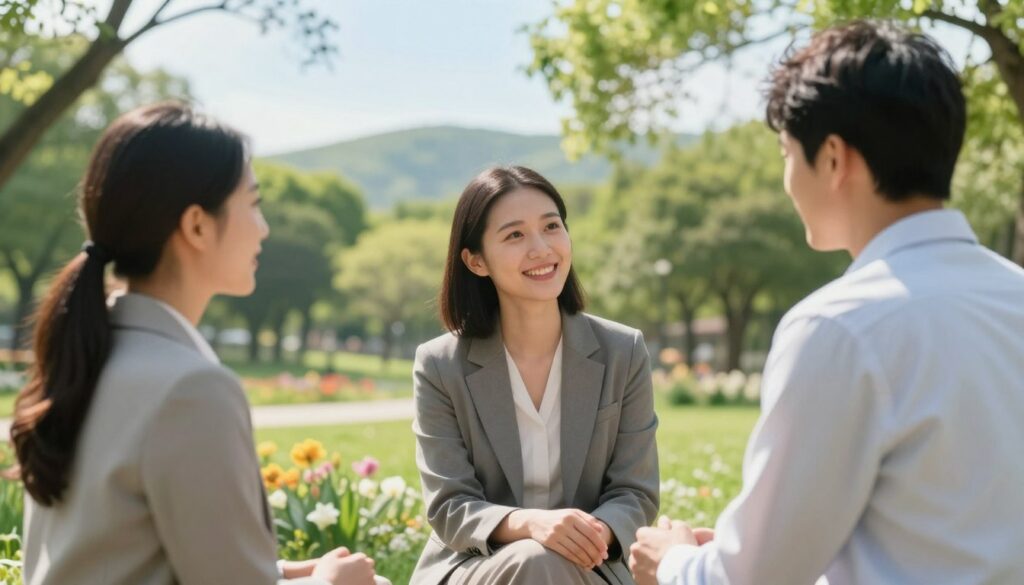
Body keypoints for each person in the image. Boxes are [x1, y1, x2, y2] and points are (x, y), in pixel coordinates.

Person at [630, 20, 1024, 585]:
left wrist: (671, 561)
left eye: (789, 153)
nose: (788, 177)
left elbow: (754, 578)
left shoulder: (839, 326)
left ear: (834, 158)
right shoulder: (1015, 294)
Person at [11, 102, 385, 585]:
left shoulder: (86, 354)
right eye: (252, 203)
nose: (263, 228)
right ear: (197, 225)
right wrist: (330, 582)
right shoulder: (191, 389)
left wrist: (282, 572)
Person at [410, 166, 659, 585]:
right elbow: (450, 505)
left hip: (591, 564)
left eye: (551, 226)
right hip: (476, 565)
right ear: (475, 261)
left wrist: (588, 535)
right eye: (515, 235)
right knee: (534, 560)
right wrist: (532, 526)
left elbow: (635, 492)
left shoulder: (624, 351)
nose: (541, 248)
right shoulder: (440, 364)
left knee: (547, 562)